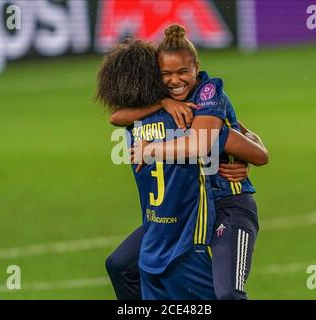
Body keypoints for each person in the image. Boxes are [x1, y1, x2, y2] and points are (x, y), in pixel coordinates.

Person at [101, 25, 268, 299]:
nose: (174, 80)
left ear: (196, 67)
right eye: (166, 73)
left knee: (227, 294)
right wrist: (163, 104)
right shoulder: (163, 104)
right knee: (121, 266)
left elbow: (249, 149)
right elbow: (116, 116)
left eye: (182, 72)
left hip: (227, 202)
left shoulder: (207, 99)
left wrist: (152, 150)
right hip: (183, 209)